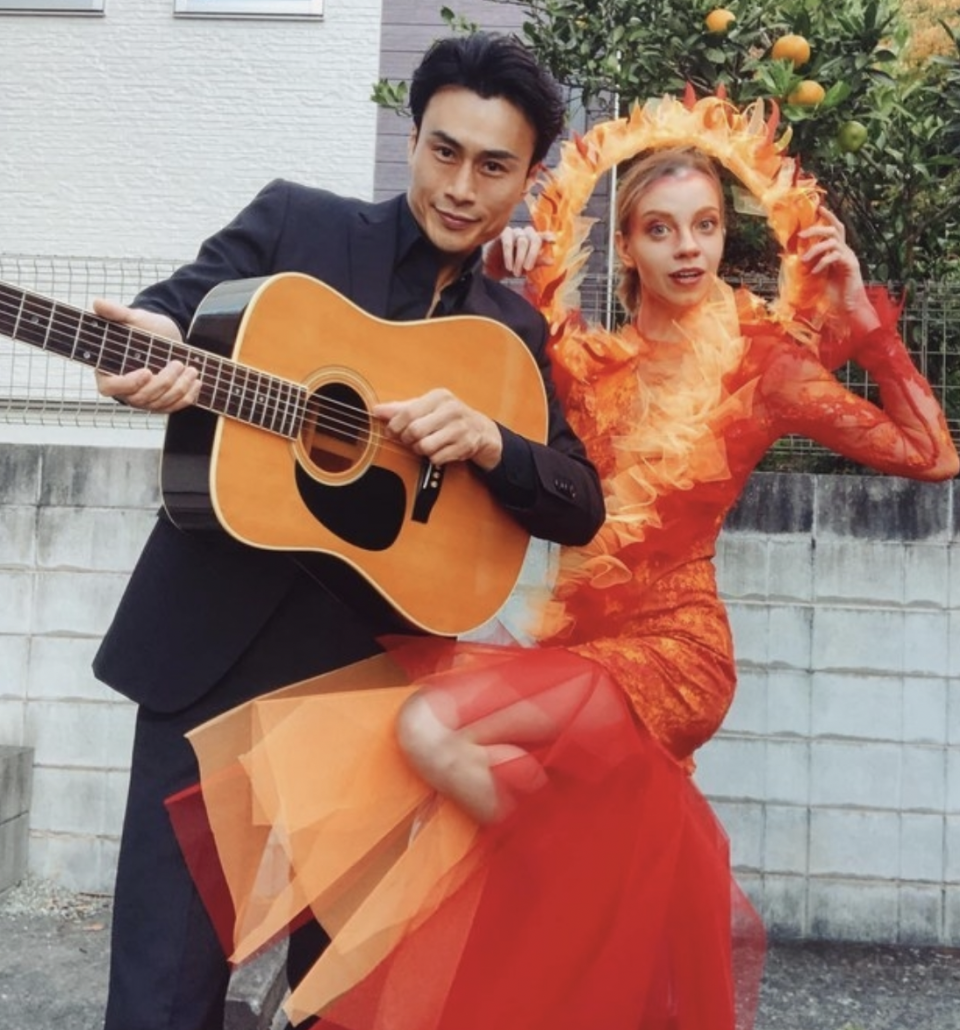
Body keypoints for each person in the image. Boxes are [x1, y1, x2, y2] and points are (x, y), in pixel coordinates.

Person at [169, 96, 959, 1030]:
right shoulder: (582, 362)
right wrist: (510, 274)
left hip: (678, 651)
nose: (688, 249)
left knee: (424, 729)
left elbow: (932, 454)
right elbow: (496, 380)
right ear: (625, 247)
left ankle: (571, 874)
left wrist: (865, 321)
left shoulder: (765, 366)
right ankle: (585, 895)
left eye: (706, 226)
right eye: (660, 229)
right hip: (572, 639)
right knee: (437, 799)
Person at [89, 31, 605, 1030]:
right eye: (443, 151)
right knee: (161, 991)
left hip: (376, 686)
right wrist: (148, 338)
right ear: (412, 140)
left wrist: (493, 442)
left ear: (531, 177)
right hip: (212, 665)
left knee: (345, 995)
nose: (461, 186)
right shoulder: (297, 227)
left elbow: (578, 499)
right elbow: (176, 307)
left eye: (493, 165)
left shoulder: (509, 333)